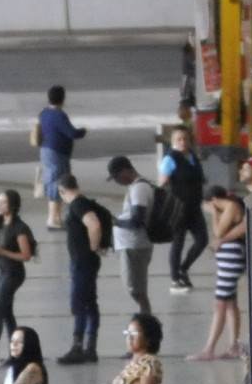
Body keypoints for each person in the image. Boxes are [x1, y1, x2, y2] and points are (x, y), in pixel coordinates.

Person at [54, 175, 110, 362]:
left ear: (62, 191)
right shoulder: (86, 201)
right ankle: (91, 347)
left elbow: (93, 224)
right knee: (90, 302)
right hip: (87, 261)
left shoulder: (78, 205)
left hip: (82, 261)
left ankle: (78, 347)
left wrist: (93, 248)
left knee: (78, 304)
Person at [0, 191, 38, 361]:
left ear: (12, 205)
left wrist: (2, 251)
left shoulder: (19, 228)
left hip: (14, 274)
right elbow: (0, 246)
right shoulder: (0, 224)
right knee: (6, 313)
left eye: (3, 202)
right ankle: (18, 351)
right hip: (2, 272)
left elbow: (26, 255)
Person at [200, 186, 249, 361]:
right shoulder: (231, 206)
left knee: (220, 303)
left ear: (212, 200)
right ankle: (233, 345)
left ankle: (209, 348)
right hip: (229, 258)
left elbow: (218, 232)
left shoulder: (230, 206)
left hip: (232, 258)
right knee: (229, 303)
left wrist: (214, 213)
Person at [108, 154, 158, 320]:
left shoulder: (139, 189)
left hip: (135, 245)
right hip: (131, 245)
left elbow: (137, 220)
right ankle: (144, 315)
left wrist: (116, 222)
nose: (116, 181)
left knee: (135, 287)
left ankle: (146, 318)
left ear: (126, 171)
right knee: (134, 285)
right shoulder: (136, 187)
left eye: (116, 177)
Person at [161, 123, 209, 290]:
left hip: (194, 207)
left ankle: (184, 268)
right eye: (178, 139)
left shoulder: (193, 157)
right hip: (178, 208)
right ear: (173, 141)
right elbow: (162, 183)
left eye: (185, 139)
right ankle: (175, 277)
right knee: (178, 243)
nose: (182, 142)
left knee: (202, 240)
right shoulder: (170, 159)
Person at [33, 85, 83, 224]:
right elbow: (71, 133)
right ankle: (53, 218)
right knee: (58, 182)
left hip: (46, 151)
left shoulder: (44, 113)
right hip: (57, 153)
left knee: (52, 181)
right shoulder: (59, 115)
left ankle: (55, 217)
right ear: (63, 98)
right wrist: (82, 131)